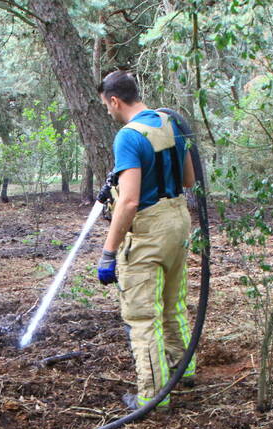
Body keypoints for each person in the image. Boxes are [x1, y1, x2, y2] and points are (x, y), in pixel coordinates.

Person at [95, 70, 196, 411]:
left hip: (149, 231)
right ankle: (185, 370)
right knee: (172, 305)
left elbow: (129, 201)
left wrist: (109, 252)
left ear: (115, 100)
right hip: (178, 221)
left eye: (107, 107)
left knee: (142, 317)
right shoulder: (171, 123)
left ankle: (152, 398)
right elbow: (188, 178)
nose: (108, 113)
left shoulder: (128, 136)